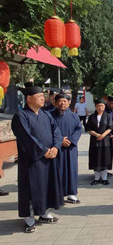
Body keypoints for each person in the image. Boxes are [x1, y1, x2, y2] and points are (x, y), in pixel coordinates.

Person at [11, 85, 63, 233]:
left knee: (46, 186)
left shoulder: (46, 114)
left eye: (43, 96)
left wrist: (55, 147)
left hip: (48, 158)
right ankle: (29, 218)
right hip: (32, 160)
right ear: (29, 99)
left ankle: (44, 213)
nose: (43, 98)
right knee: (31, 188)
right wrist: (44, 150)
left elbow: (56, 132)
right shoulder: (21, 116)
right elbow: (26, 138)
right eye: (39, 96)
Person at [51, 93, 83, 204]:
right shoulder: (50, 116)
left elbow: (79, 129)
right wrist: (60, 140)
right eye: (60, 101)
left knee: (71, 170)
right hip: (57, 148)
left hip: (71, 148)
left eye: (65, 101)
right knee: (58, 170)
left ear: (69, 102)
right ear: (55, 103)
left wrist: (70, 140)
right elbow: (48, 131)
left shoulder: (74, 116)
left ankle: (71, 193)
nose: (62, 103)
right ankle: (58, 194)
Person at [86, 99, 113, 185]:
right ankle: (97, 178)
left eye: (102, 106)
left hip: (105, 140)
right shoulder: (91, 117)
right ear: (95, 106)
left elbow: (110, 127)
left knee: (104, 158)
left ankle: (104, 178)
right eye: (98, 106)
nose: (100, 107)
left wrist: (103, 135)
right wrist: (96, 135)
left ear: (104, 106)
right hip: (95, 140)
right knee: (95, 158)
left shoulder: (108, 116)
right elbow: (88, 128)